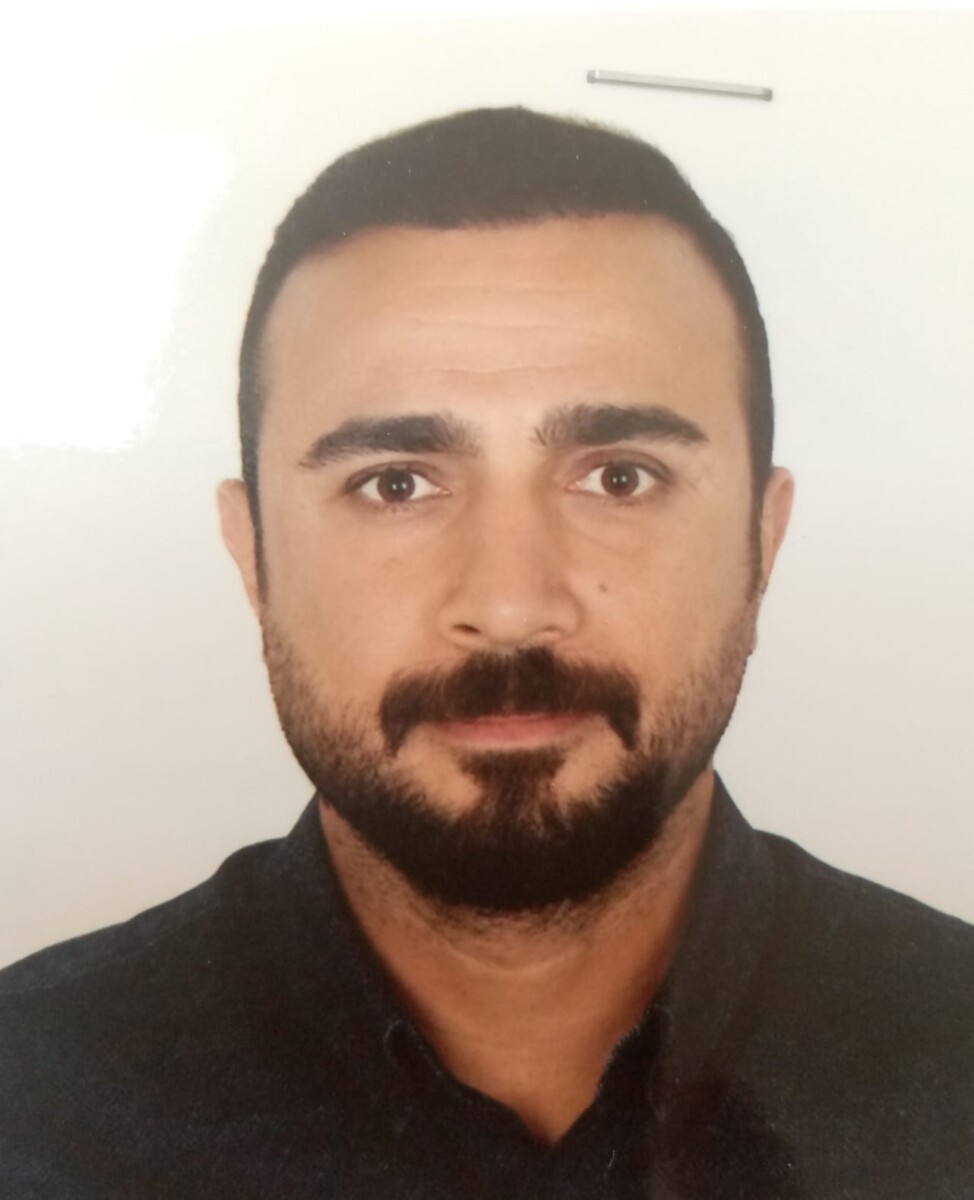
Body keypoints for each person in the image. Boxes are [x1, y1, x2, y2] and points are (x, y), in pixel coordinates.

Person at [0, 106, 970, 1200]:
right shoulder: (27, 1106)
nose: (510, 607)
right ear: (252, 553)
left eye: (619, 477)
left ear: (762, 537)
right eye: (395, 484)